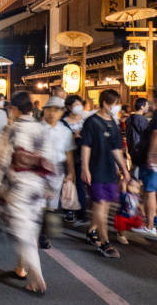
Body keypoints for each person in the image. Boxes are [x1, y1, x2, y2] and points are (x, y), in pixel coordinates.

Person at [0, 92, 54, 294]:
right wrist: (49, 185)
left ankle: (36, 276)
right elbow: (49, 157)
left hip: (19, 184)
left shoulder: (12, 129)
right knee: (30, 228)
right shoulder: (41, 129)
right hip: (38, 185)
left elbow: (1, 159)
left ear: (14, 109)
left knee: (22, 231)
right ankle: (21, 267)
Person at [81, 89, 130, 258]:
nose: (117, 107)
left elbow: (116, 149)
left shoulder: (113, 123)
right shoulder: (92, 122)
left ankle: (91, 231)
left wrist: (124, 169)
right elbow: (86, 146)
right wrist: (85, 168)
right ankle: (105, 243)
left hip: (110, 170)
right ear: (105, 103)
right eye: (114, 104)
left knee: (105, 205)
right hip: (96, 169)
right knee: (100, 204)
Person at [38, 95, 75, 248]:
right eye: (49, 109)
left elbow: (68, 152)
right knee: (38, 203)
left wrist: (70, 172)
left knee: (52, 204)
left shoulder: (65, 131)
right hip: (38, 170)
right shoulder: (37, 128)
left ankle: (44, 234)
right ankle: (39, 233)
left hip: (57, 170)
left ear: (62, 112)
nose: (52, 113)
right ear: (44, 111)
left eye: (57, 110)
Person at [136, 86, 157, 235]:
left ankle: (149, 226)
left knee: (150, 192)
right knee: (155, 192)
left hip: (156, 161)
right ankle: (151, 223)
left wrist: (153, 157)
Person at [62, 94, 88, 224]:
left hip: (84, 156)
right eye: (75, 105)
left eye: (80, 104)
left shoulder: (86, 119)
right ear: (68, 107)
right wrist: (72, 136)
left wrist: (81, 136)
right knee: (69, 184)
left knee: (80, 186)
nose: (79, 107)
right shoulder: (63, 121)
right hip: (68, 157)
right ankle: (70, 211)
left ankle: (81, 213)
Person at [114, 178, 145, 245]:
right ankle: (120, 236)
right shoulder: (125, 194)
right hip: (122, 215)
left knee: (138, 223)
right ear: (127, 186)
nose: (134, 188)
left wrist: (142, 210)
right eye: (131, 186)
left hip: (132, 215)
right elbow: (123, 187)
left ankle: (128, 231)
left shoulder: (137, 196)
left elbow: (138, 204)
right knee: (121, 227)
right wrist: (124, 182)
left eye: (137, 188)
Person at [125, 97, 149, 176]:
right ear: (142, 107)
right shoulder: (142, 120)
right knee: (139, 173)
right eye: (147, 105)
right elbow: (146, 136)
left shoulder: (129, 118)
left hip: (131, 149)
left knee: (134, 170)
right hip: (140, 150)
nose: (148, 107)